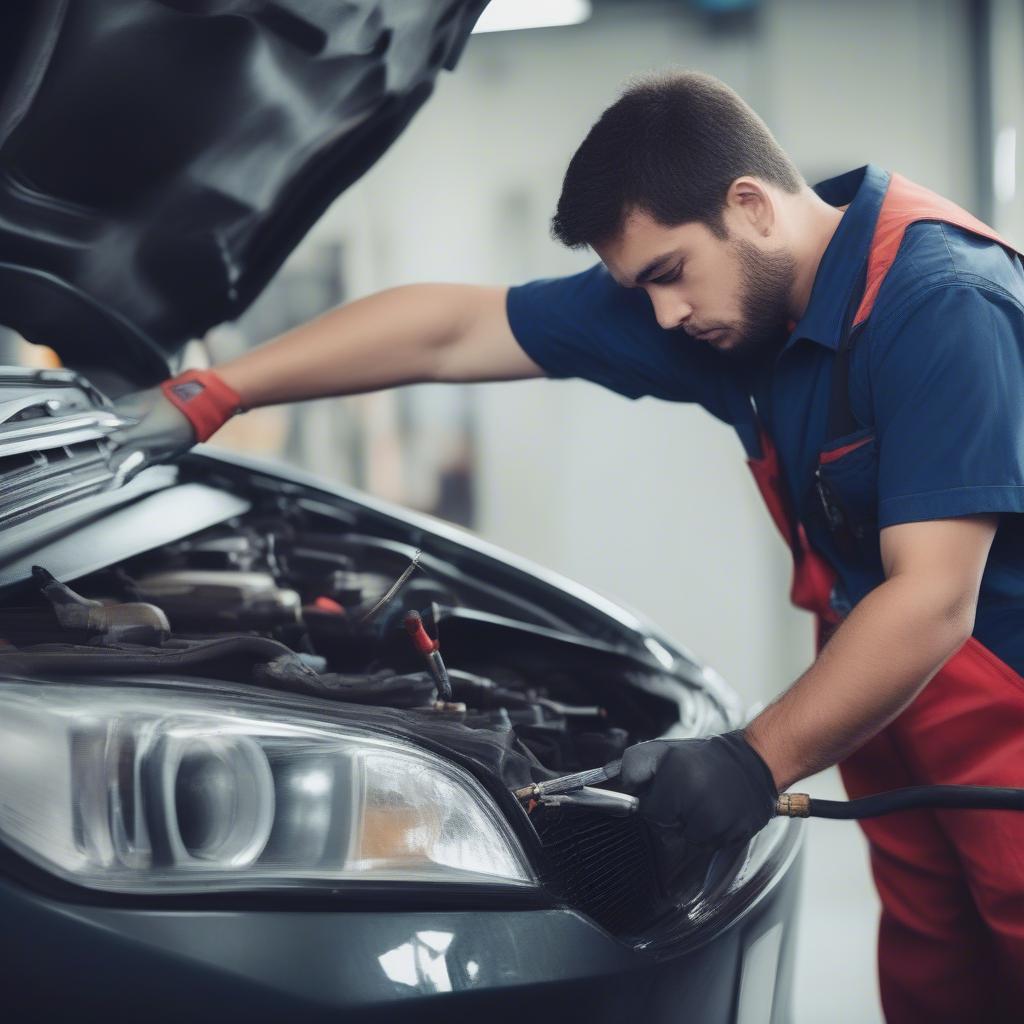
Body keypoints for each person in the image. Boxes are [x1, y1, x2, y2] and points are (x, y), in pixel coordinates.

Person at [110, 72, 1024, 1021]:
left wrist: (753, 761)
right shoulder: (730, 303)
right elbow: (453, 329)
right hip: (889, 702)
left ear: (748, 206)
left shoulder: (938, 302)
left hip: (998, 700)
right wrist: (215, 393)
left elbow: (933, 600)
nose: (663, 317)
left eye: (668, 275)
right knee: (938, 979)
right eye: (641, 289)